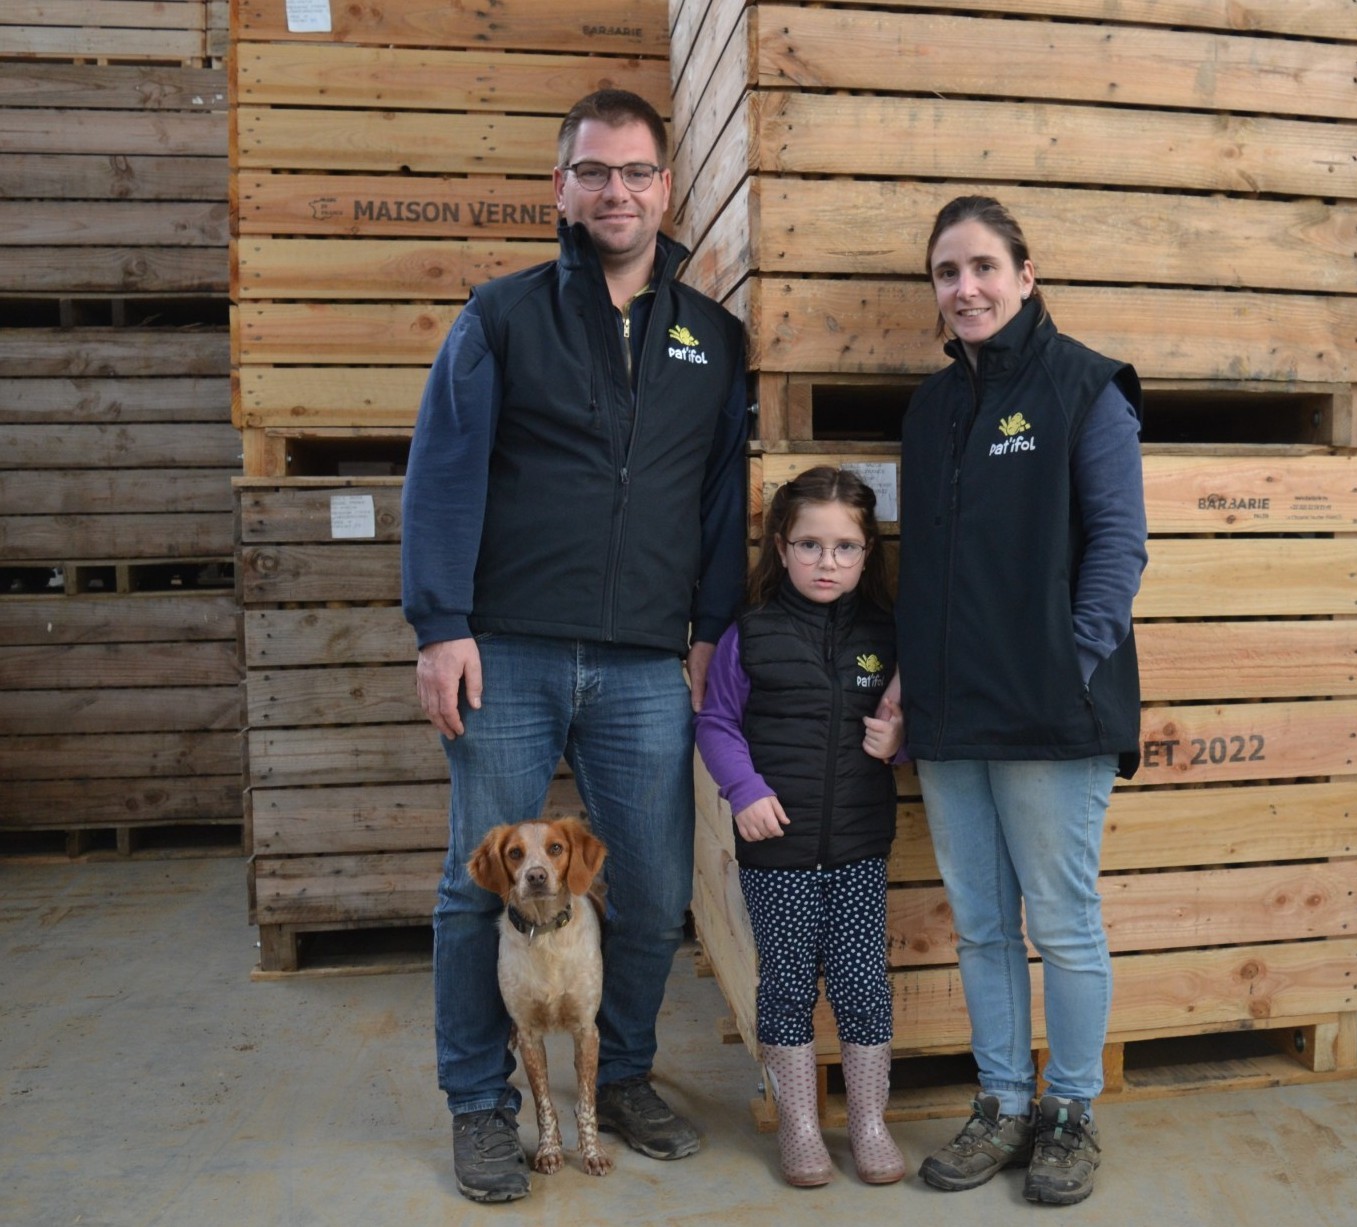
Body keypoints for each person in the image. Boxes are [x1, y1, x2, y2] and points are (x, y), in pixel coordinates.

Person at [400, 89, 749, 1203]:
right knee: (478, 889)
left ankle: (628, 1073)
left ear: (665, 187)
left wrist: (707, 631)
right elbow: (444, 471)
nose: (616, 192)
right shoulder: (500, 318)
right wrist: (440, 625)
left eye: (636, 172)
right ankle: (480, 1106)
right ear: (562, 188)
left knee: (645, 884)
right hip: (509, 648)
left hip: (648, 660)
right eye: (594, 172)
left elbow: (714, 498)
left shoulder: (710, 336)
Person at [895, 196, 1147, 1206]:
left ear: (1025, 274)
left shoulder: (1085, 389)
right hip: (955, 717)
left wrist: (1068, 667)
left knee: (1064, 920)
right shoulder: (931, 408)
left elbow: (1118, 548)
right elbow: (926, 570)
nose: (966, 288)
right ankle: (1002, 1103)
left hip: (1050, 715)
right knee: (982, 926)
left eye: (983, 267)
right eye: (946, 273)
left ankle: (1072, 1112)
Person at [694, 466, 907, 1189]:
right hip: (774, 847)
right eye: (811, 544)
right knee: (785, 983)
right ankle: (800, 1126)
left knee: (859, 983)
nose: (827, 562)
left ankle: (870, 1121)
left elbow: (913, 716)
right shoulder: (748, 634)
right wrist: (743, 789)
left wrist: (898, 741)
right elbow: (717, 721)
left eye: (845, 547)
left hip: (857, 844)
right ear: (781, 547)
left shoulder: (886, 633)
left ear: (866, 554)